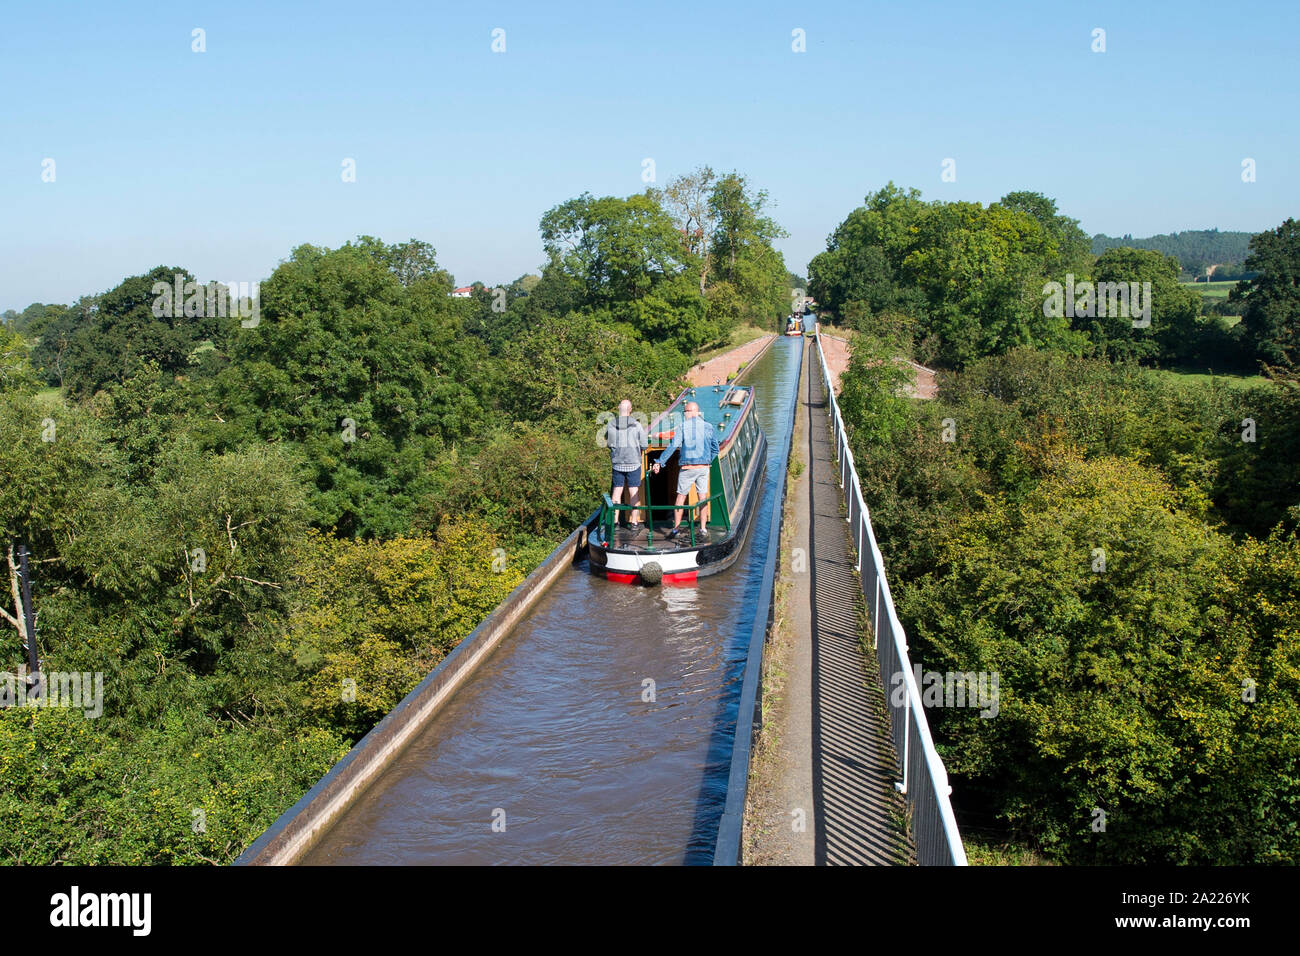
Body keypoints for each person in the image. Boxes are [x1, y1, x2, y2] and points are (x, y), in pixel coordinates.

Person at [651, 400, 719, 539]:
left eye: (685, 412)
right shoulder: (708, 427)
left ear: (690, 412)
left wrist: (660, 462)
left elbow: (672, 446)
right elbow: (715, 449)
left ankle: (676, 529)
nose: (684, 415)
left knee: (681, 497)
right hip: (703, 468)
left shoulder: (683, 427)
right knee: (702, 498)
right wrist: (707, 462)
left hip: (687, 468)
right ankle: (703, 529)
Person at [606, 400, 647, 531]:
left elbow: (609, 443)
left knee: (617, 491)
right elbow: (644, 445)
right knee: (633, 492)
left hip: (617, 463)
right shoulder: (637, 425)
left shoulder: (611, 425)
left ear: (619, 408)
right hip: (634, 463)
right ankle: (634, 523)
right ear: (631, 410)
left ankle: (615, 522)